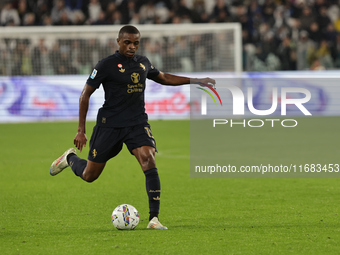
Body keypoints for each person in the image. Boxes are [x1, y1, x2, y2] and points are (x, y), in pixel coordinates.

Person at [49, 25, 215, 229]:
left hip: (137, 123)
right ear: (118, 41)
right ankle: (70, 159)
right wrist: (81, 130)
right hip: (109, 125)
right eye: (127, 42)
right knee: (90, 175)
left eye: (136, 43)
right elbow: (85, 95)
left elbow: (163, 77)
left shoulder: (143, 63)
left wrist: (196, 81)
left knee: (148, 159)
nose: (131, 46)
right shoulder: (105, 65)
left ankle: (154, 219)